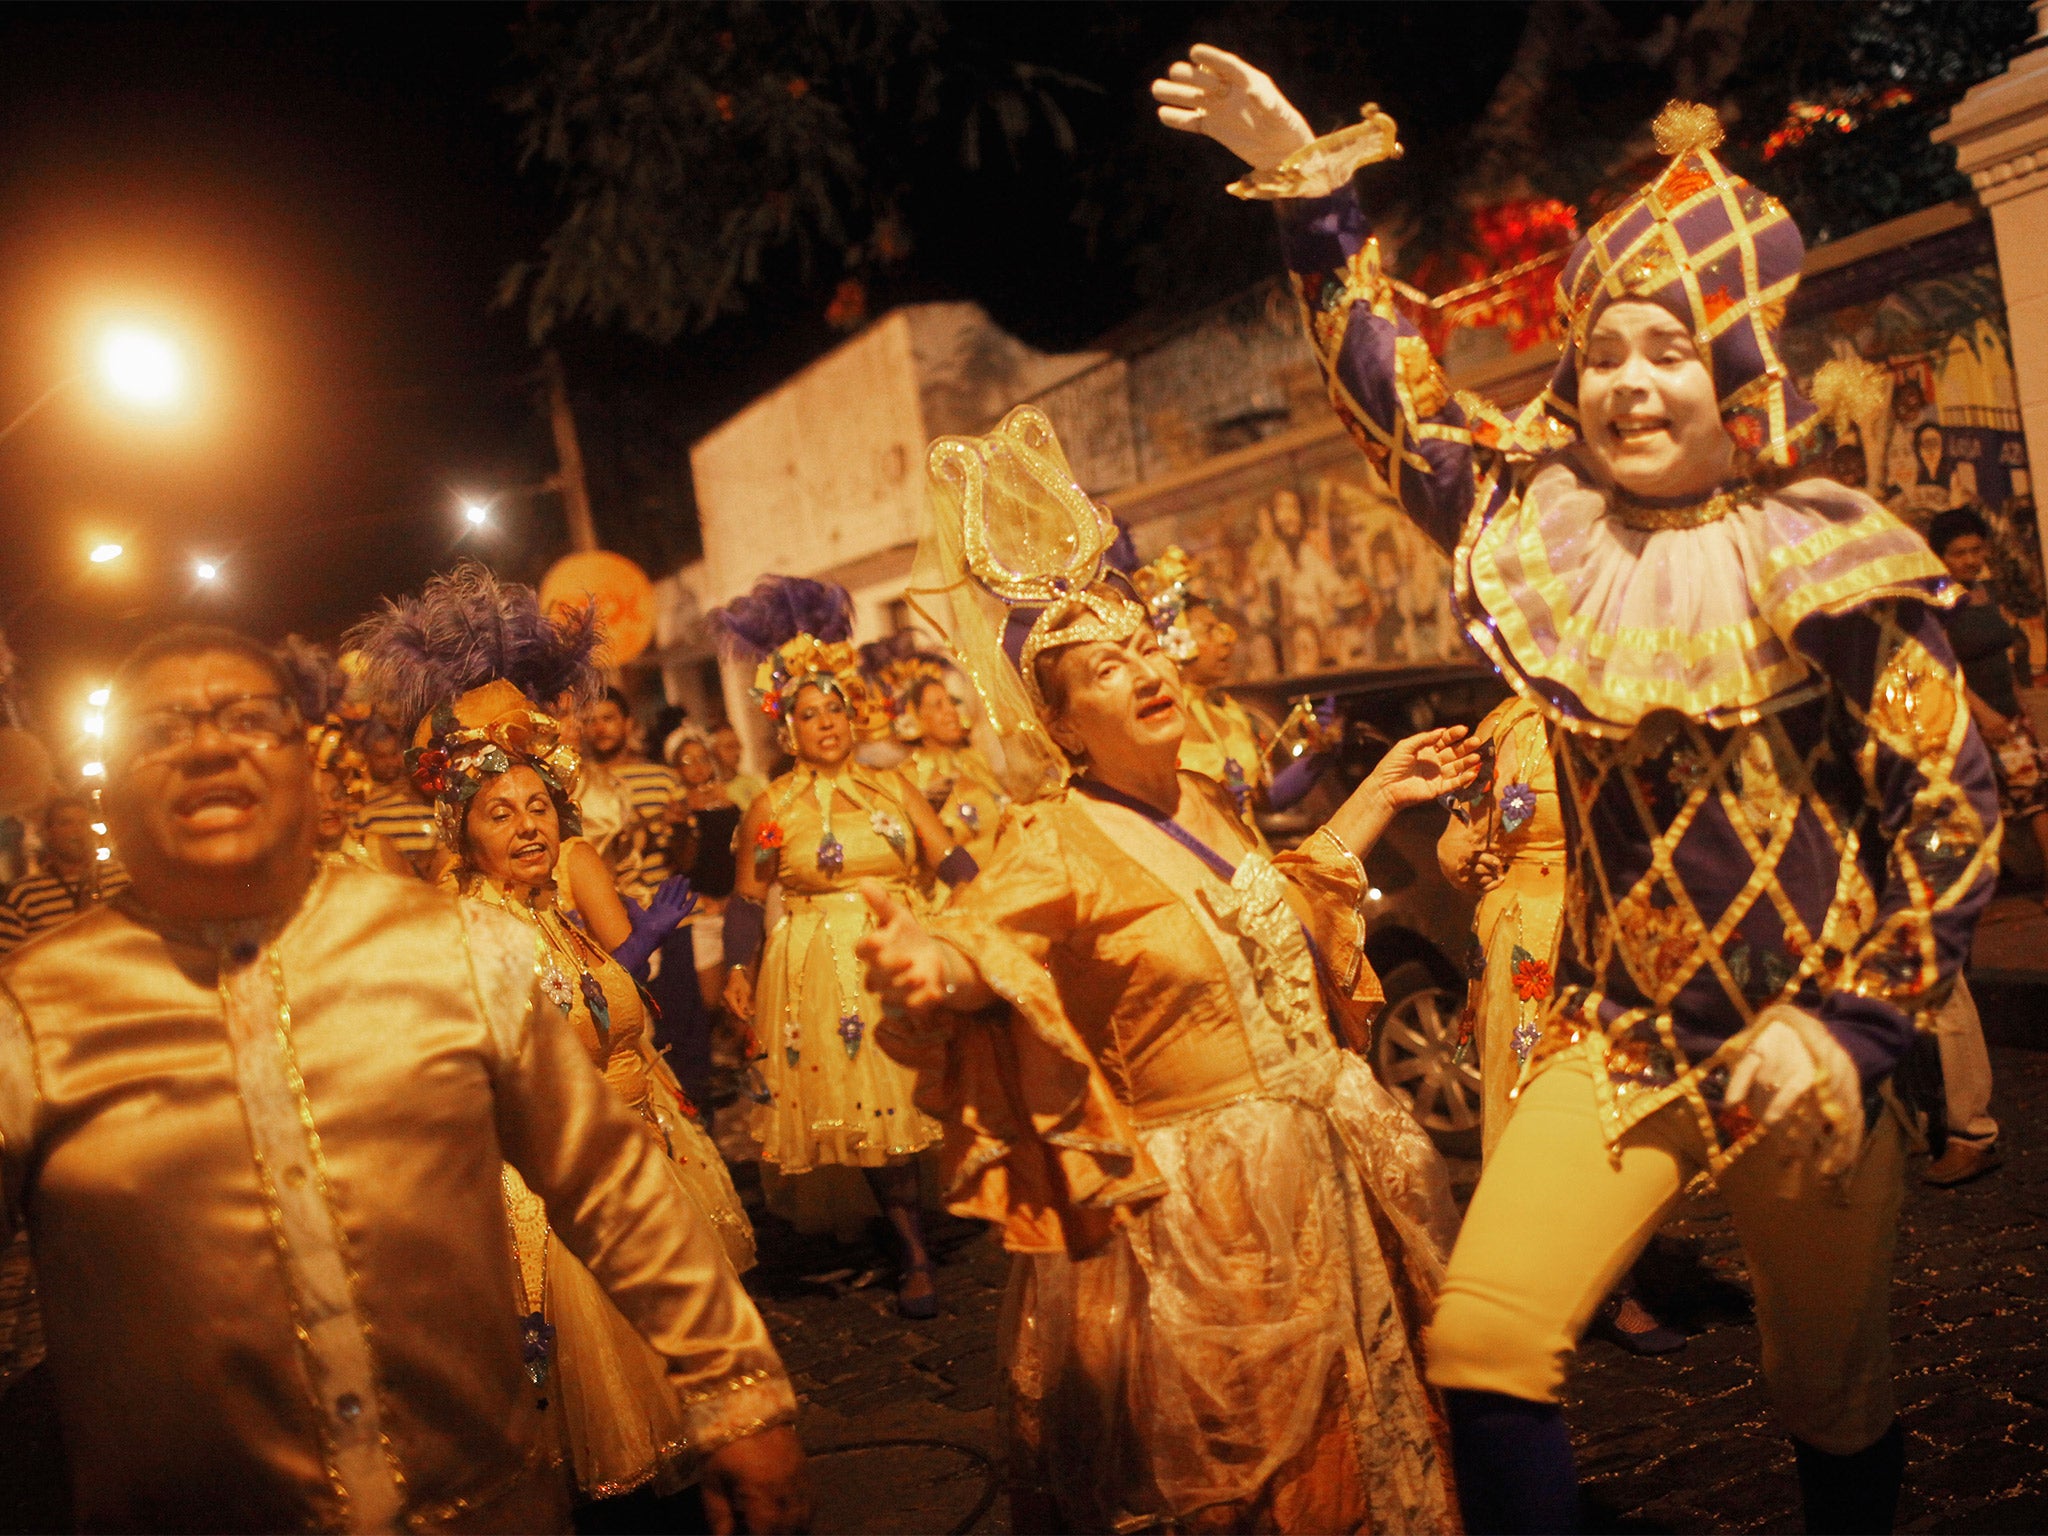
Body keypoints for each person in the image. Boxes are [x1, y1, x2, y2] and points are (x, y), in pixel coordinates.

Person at [1155, 52, 1999, 1532]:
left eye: (1668, 350)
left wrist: (1859, 1023)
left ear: (1736, 360)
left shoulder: (1836, 560)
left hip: (1808, 1053)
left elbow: (1950, 813)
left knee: (1831, 1396)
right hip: (1610, 1036)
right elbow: (1396, 407)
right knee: (1483, 1342)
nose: (1629, 381)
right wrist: (1312, 197)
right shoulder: (1535, 516)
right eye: (1605, 351)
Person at [0, 623, 807, 1533]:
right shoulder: (36, 1011)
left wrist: (734, 1391)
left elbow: (605, 1177)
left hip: (484, 1493)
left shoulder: (439, 946)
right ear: (110, 780)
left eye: (250, 718)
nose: (210, 745)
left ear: (306, 759)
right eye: (164, 728)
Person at [857, 406, 1475, 1533]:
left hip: (1324, 1164)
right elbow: (982, 942)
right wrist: (928, 964)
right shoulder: (1056, 836)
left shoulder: (1205, 798)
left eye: (1145, 645)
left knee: (1375, 1433)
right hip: (1207, 1209)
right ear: (1061, 721)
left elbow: (1273, 914)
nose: (1142, 668)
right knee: (1251, 1472)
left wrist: (1379, 792)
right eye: (1103, 666)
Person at [712, 576, 974, 1320]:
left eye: (835, 708)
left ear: (853, 715)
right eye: (808, 713)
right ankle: (911, 1248)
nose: (825, 723)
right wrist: (738, 964)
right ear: (787, 729)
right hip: (819, 968)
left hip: (904, 947)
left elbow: (951, 860)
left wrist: (994, 909)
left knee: (922, 1092)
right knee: (868, 1108)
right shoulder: (772, 806)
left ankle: (937, 1213)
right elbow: (748, 895)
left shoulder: (896, 787)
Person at [1438, 697, 1685, 1356]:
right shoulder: (1502, 728)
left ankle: (1613, 1259)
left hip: (1603, 936)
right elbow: (1460, 834)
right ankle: (1563, 1285)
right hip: (1523, 937)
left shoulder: (1625, 716)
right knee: (1530, 1101)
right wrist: (1465, 861)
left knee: (1611, 1097)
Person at [1134, 544, 1338, 847]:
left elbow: (1264, 800)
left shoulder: (1229, 713)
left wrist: (1319, 755)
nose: (1226, 641)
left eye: (1222, 629)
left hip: (1259, 869)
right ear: (1175, 641)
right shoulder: (1154, 723)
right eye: (1209, 630)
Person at [1929, 508, 2048, 909]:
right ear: (1941, 555)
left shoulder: (1984, 592)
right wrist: (1983, 716)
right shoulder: (1937, 601)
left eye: (1976, 550)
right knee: (1980, 811)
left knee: (2036, 795)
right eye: (1959, 552)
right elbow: (1946, 667)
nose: (1970, 559)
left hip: (2007, 713)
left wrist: (2017, 707)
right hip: (1970, 719)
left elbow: (2000, 649)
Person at [886, 657, 1008, 873]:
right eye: (937, 705)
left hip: (1006, 871)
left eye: (951, 702)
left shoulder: (974, 761)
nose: (951, 711)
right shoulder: (905, 778)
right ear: (914, 716)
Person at [0, 793, 129, 951]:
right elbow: (8, 965)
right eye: (66, 823)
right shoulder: (23, 895)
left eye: (83, 822)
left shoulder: (121, 877)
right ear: (48, 833)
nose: (78, 830)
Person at [352, 715, 438, 872]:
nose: (390, 763)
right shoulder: (367, 815)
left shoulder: (427, 798)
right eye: (381, 757)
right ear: (368, 758)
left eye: (393, 754)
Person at [711, 721, 768, 810]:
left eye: (737, 746)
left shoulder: (755, 783)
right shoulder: (710, 790)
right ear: (713, 751)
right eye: (729, 747)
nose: (737, 752)